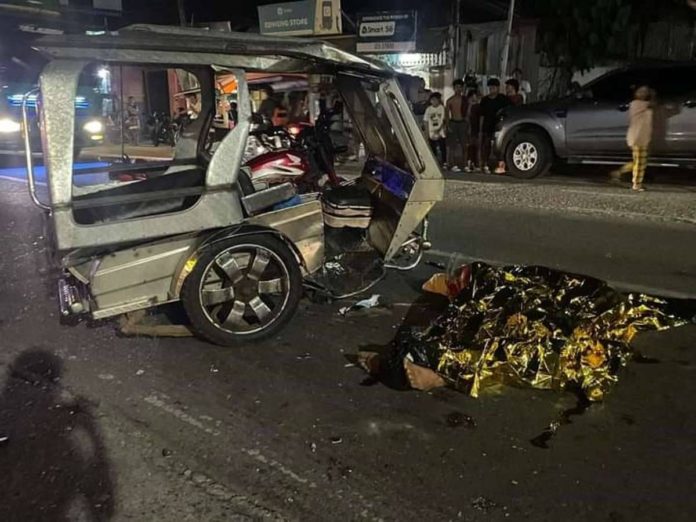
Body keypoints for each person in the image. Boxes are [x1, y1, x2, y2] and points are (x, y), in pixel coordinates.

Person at [612, 85, 654, 192]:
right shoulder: (636, 104)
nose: (643, 93)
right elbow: (653, 104)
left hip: (643, 137)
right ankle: (636, 184)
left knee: (639, 161)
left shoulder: (646, 105)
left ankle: (619, 172)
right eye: (640, 91)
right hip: (637, 136)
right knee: (640, 162)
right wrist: (653, 95)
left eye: (645, 91)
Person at [479, 78, 511, 174]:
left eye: (494, 87)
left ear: (497, 88)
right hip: (487, 126)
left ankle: (501, 166)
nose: (492, 89)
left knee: (500, 146)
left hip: (499, 126)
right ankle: (485, 164)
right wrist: (481, 129)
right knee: (486, 146)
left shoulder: (503, 99)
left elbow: (509, 110)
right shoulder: (485, 100)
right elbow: (482, 115)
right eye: (490, 87)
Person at [445, 79, 469, 172]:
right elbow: (447, 115)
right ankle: (452, 164)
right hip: (453, 123)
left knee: (464, 145)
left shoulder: (465, 99)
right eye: (456, 87)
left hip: (462, 123)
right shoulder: (449, 101)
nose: (458, 89)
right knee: (452, 146)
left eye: (460, 87)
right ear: (454, 88)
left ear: (462, 88)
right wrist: (447, 126)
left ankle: (465, 164)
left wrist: (467, 124)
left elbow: (468, 112)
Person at [424, 92, 447, 166]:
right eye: (432, 100)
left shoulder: (442, 108)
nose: (434, 101)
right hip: (431, 132)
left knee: (442, 147)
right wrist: (426, 133)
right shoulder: (428, 109)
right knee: (433, 149)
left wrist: (439, 130)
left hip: (440, 132)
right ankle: (435, 163)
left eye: (436, 100)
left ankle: (444, 162)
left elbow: (443, 120)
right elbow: (426, 121)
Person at [466, 90, 481, 171]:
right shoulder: (468, 106)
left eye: (475, 98)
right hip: (470, 129)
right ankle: (470, 162)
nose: (473, 99)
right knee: (470, 146)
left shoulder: (478, 107)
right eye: (472, 98)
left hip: (477, 128)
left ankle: (476, 163)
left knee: (476, 146)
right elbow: (467, 118)